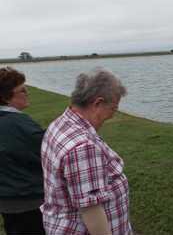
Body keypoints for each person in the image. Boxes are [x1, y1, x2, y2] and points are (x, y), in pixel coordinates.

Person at [40, 68, 132, 234]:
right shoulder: (83, 147)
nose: (112, 115)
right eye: (113, 108)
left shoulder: (60, 123)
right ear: (97, 103)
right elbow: (91, 212)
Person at [0, 67, 46, 235]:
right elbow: (48, 151)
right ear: (6, 96)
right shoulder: (19, 124)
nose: (27, 93)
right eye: (22, 90)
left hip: (6, 201)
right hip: (29, 200)